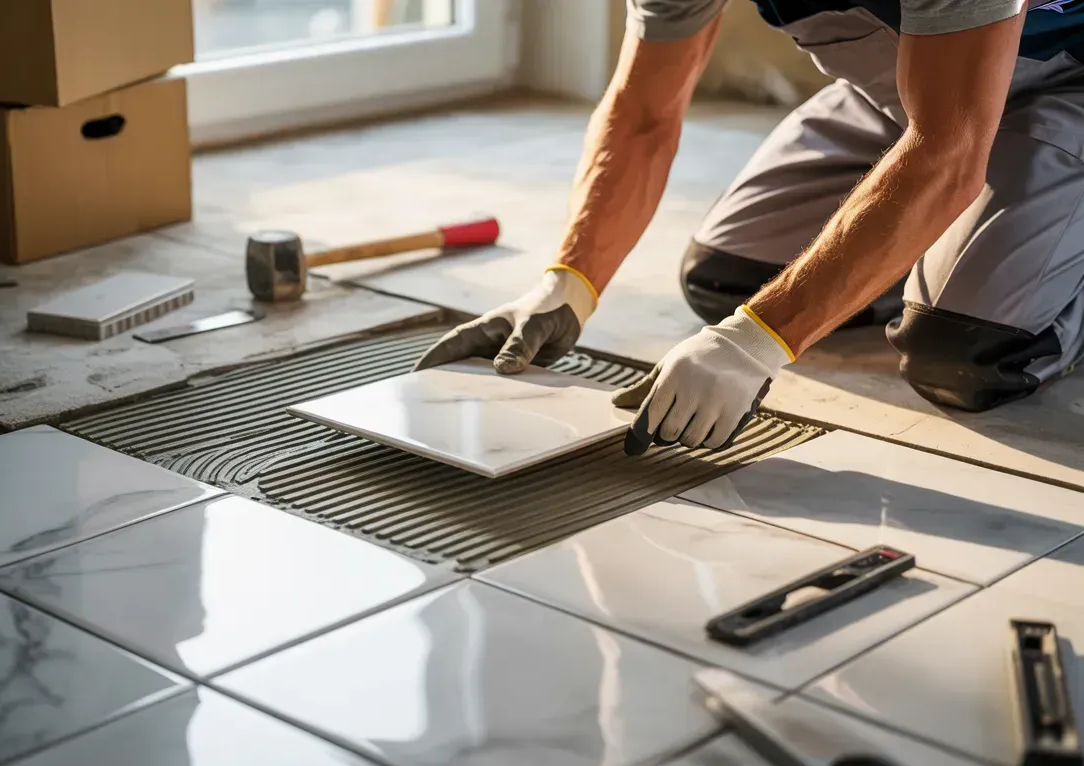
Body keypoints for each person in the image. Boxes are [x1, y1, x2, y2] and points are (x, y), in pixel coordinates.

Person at [416, 0, 1084, 456]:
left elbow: (948, 150)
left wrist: (755, 342)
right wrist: (569, 280)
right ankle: (973, 240)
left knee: (966, 351)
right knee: (731, 281)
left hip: (1062, 89)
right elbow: (644, 114)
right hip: (913, 91)